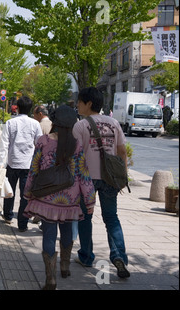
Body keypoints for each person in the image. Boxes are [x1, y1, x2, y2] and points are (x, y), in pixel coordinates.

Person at [22, 105, 96, 290]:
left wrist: (28, 191)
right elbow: (83, 174)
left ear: (54, 122)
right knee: (67, 231)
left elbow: (34, 168)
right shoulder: (77, 145)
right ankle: (64, 267)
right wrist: (89, 199)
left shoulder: (43, 141)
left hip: (46, 198)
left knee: (49, 234)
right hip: (70, 199)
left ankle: (50, 278)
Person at [72, 87, 130, 279]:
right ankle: (119, 256)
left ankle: (86, 256)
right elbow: (122, 152)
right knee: (111, 218)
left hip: (87, 179)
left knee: (85, 217)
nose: (77, 105)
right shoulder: (114, 123)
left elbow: (76, 155)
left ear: (88, 104)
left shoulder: (80, 126)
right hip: (109, 177)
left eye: (80, 102)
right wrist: (124, 176)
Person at [0, 96, 43, 232]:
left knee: (9, 190)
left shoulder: (11, 123)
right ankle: (22, 223)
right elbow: (39, 144)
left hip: (12, 162)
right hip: (28, 164)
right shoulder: (35, 124)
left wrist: (1, 162)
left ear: (17, 107)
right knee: (25, 194)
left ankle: (8, 215)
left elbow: (4, 143)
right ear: (30, 109)